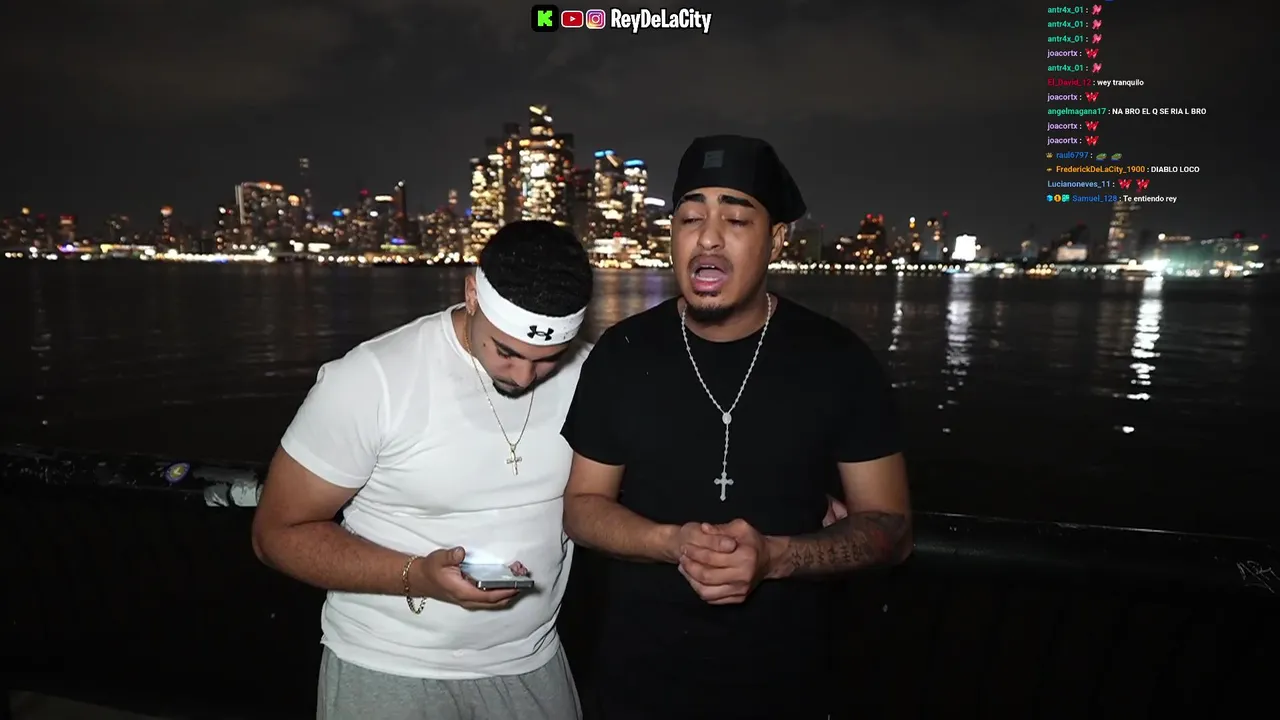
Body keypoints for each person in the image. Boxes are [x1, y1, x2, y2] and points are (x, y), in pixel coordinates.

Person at [560, 135, 913, 720]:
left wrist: (776, 557)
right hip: (636, 683)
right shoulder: (622, 353)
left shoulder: (838, 360)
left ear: (776, 239)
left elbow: (892, 530)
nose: (708, 237)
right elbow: (581, 508)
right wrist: (672, 543)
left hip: (792, 683)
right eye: (690, 217)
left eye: (737, 218)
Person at [251, 220, 593, 720]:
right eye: (506, 351)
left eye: (548, 359)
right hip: (388, 668)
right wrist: (417, 576)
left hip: (534, 663)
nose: (524, 376)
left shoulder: (592, 375)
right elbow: (275, 535)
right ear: (472, 294)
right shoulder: (372, 380)